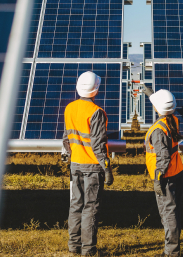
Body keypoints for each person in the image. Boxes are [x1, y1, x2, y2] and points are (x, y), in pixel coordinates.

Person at [61, 71, 114, 256]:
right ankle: (89, 250)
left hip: (75, 164)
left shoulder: (69, 108)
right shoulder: (96, 112)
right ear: (96, 89)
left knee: (75, 205)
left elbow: (66, 138)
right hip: (92, 167)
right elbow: (98, 146)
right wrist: (107, 168)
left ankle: (73, 246)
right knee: (90, 209)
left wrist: (71, 155)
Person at [143, 86, 183, 257]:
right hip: (176, 171)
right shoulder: (173, 120)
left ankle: (171, 252)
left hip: (165, 176)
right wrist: (150, 94)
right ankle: (172, 248)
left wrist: (158, 178)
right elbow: (163, 106)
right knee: (173, 211)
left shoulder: (158, 130)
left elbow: (163, 157)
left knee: (168, 214)